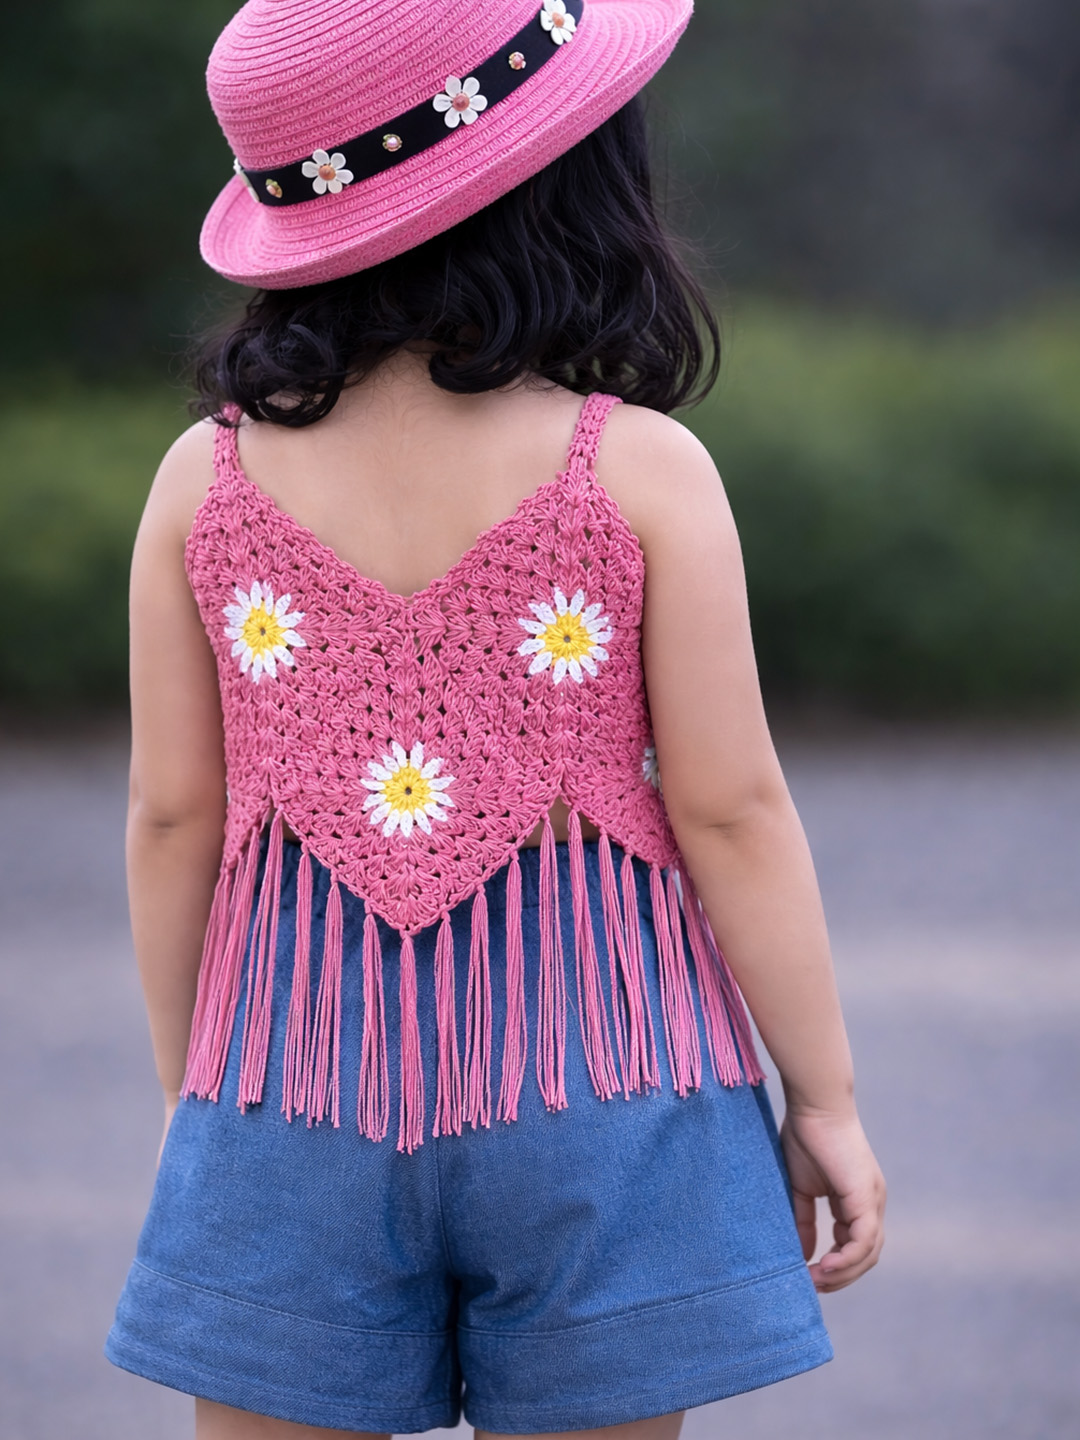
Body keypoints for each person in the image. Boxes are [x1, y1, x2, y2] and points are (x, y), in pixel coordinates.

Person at [105, 1, 886, 1437]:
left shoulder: (198, 483)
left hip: (293, 1083)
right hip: (605, 1075)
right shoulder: (640, 469)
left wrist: (199, 1093)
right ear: (565, 181)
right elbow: (729, 807)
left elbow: (173, 817)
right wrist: (821, 1093)